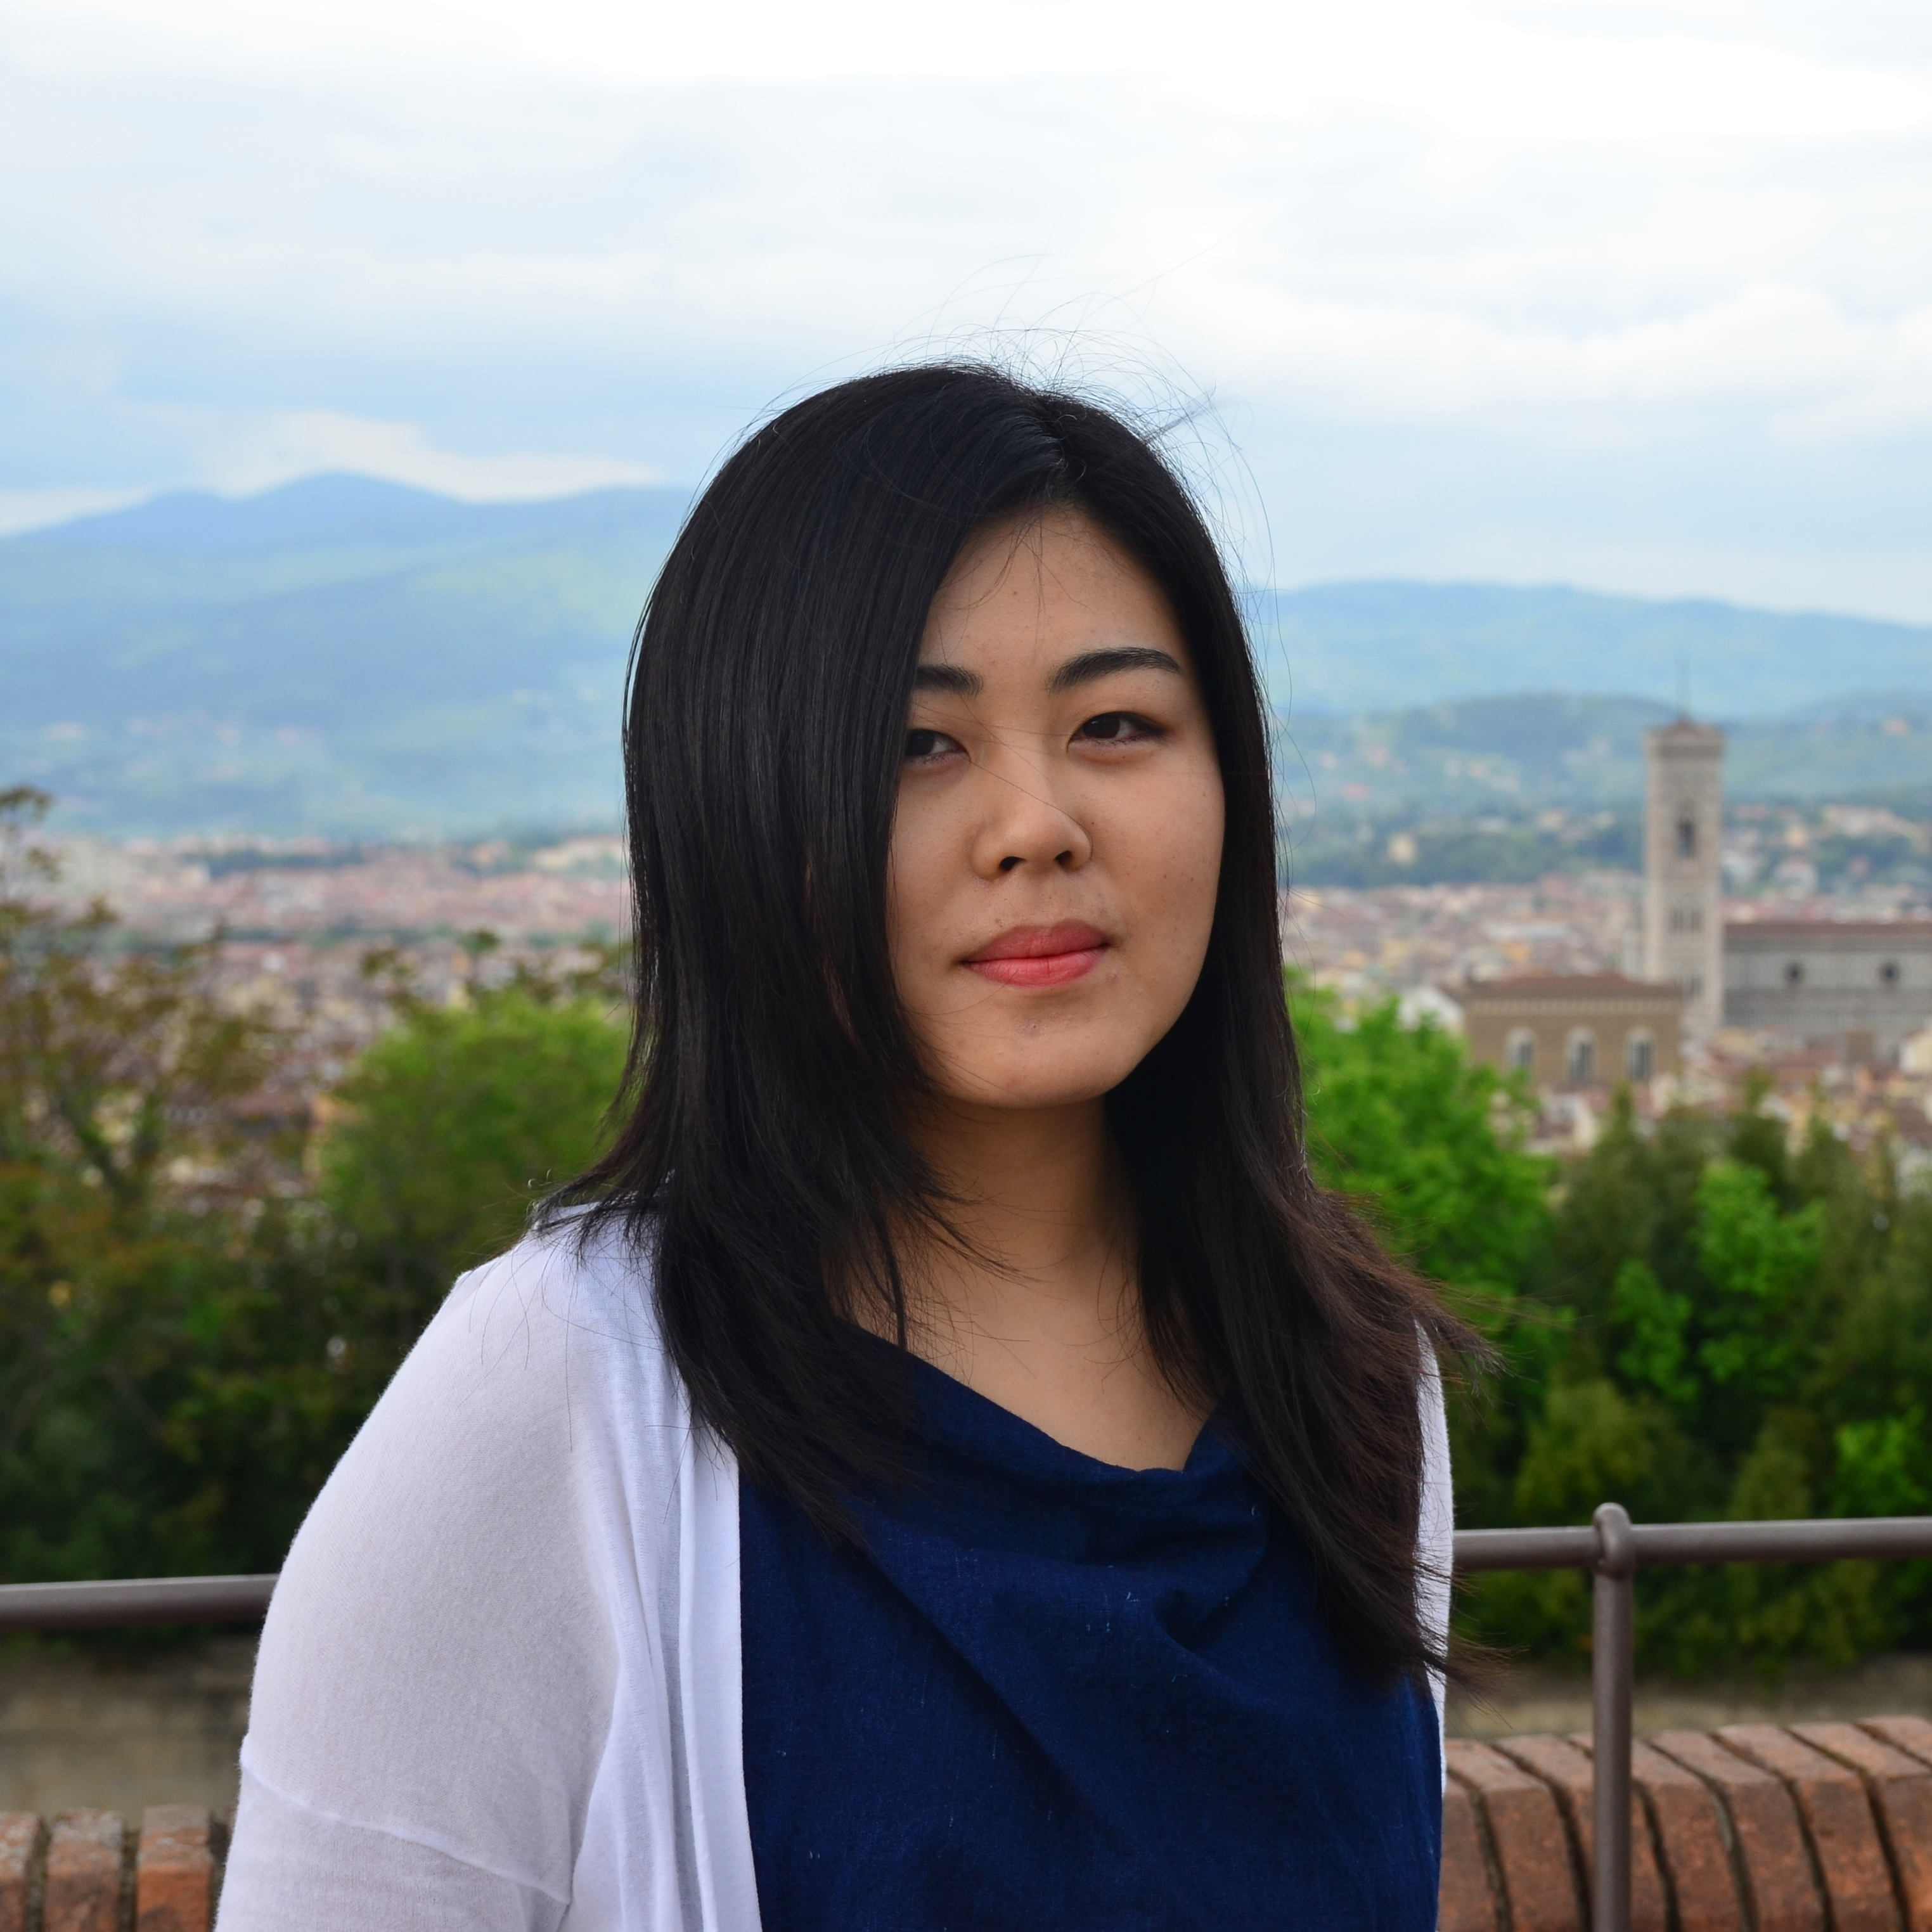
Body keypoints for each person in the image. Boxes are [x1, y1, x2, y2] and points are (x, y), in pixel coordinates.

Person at [218, 364, 1469, 1931]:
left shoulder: (1351, 1377)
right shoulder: (565, 1394)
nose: (1036, 824)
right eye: (914, 746)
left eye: (1118, 724)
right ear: (743, 807)